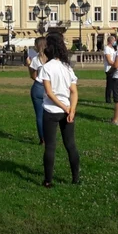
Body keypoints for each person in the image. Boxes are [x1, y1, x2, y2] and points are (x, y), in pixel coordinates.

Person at [38, 32, 79, 188]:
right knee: (70, 145)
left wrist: (64, 107)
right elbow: (74, 92)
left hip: (51, 111)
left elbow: (49, 92)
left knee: (50, 146)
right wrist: (71, 110)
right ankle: (76, 178)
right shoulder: (67, 67)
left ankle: (48, 181)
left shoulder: (47, 67)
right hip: (67, 110)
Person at [29, 37, 48, 145]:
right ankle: (50, 136)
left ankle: (42, 139)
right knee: (50, 114)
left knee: (39, 116)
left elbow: (33, 76)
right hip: (50, 87)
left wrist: (28, 65)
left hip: (38, 87)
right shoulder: (52, 59)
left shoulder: (36, 59)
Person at [103, 35, 116, 103]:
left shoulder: (112, 49)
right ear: (111, 41)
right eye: (114, 40)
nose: (115, 42)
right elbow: (109, 60)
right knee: (109, 85)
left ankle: (114, 98)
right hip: (109, 69)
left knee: (114, 85)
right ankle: (108, 100)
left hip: (113, 68)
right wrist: (115, 65)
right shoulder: (107, 48)